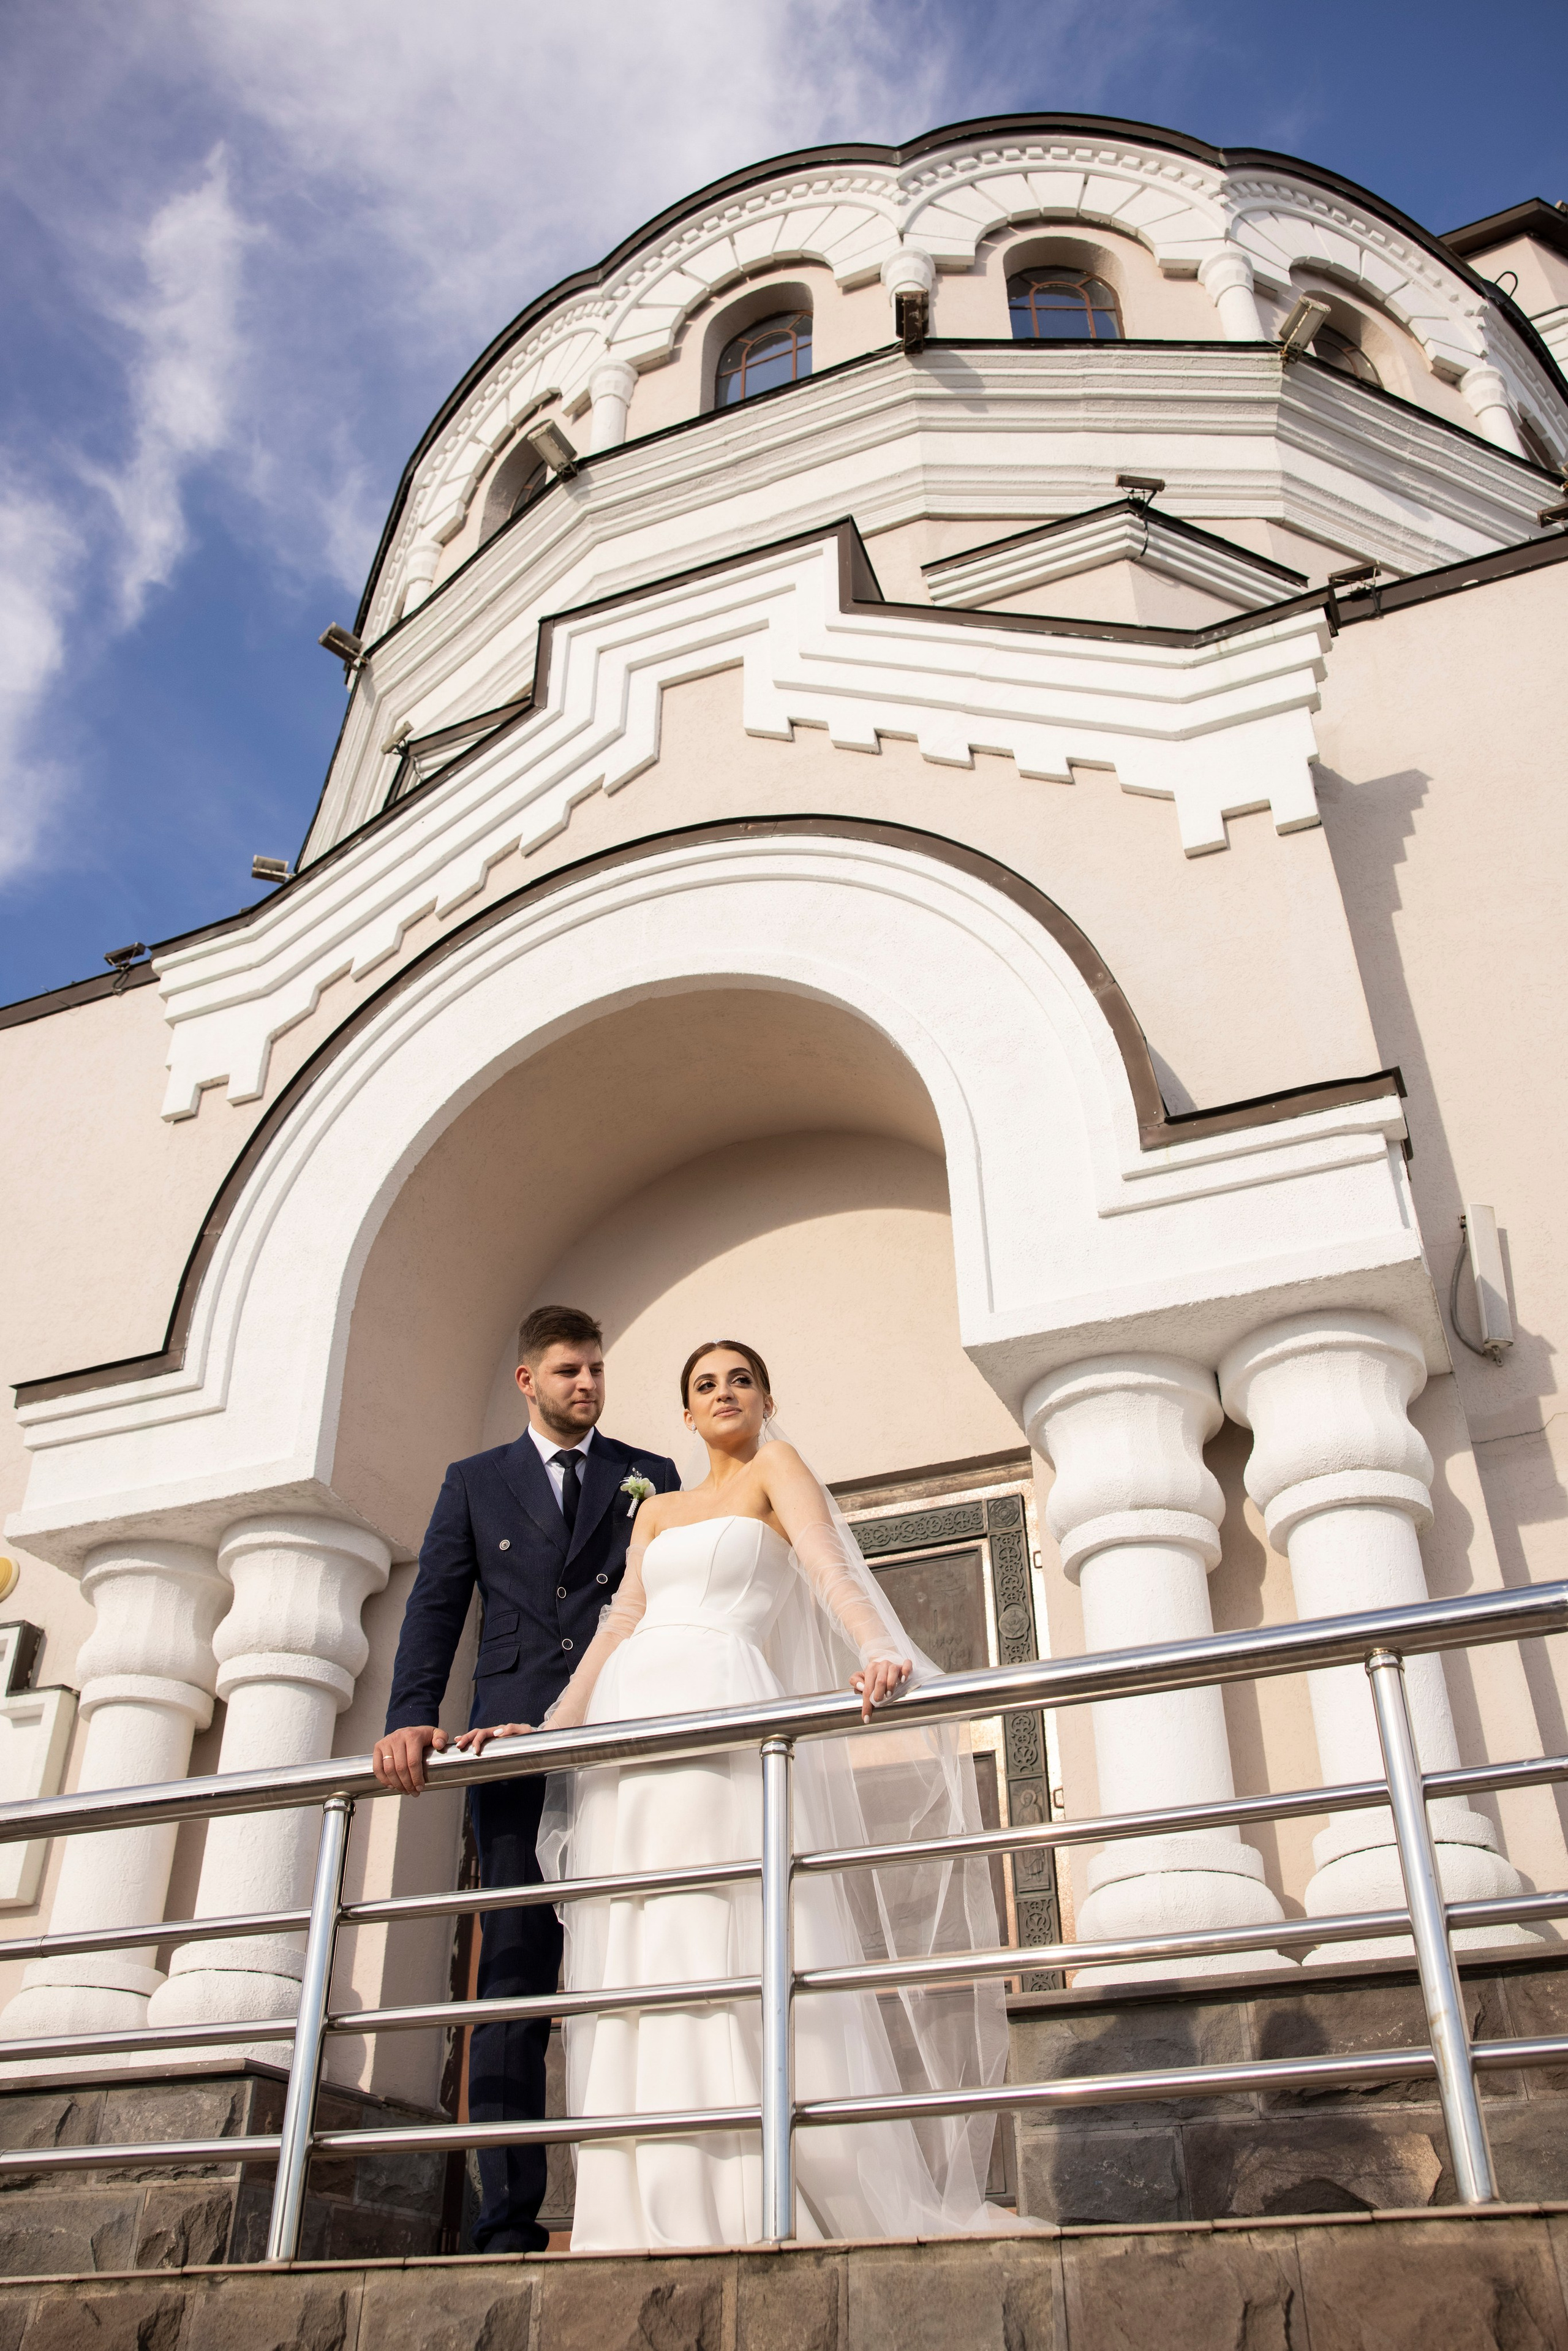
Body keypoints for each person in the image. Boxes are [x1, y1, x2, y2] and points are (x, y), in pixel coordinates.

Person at [459, 1338, 1019, 2251]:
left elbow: (829, 1566)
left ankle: (746, 2187)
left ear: (765, 1397)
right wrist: (553, 1726)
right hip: (635, 1725)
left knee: (719, 1916)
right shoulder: (659, 1508)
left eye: (741, 1380)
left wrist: (882, 1649)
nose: (724, 1394)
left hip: (721, 1699)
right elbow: (620, 1624)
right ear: (685, 1413)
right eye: (704, 1384)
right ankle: (647, 2197)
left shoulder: (776, 1468)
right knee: (644, 1938)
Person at [373, 1304, 679, 2254]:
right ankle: (506, 2221)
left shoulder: (652, 1476)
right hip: (506, 1754)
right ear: (527, 1380)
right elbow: (436, 1606)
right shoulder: (473, 1483)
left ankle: (652, 2201)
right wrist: (409, 1715)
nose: (586, 1384)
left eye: (595, 1369)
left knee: (641, 1963)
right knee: (511, 1979)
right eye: (567, 1371)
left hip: (621, 1739)